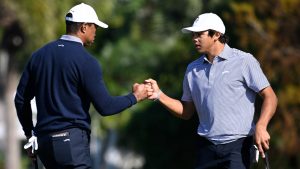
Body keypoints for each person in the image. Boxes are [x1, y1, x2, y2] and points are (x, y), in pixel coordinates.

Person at [14, 3, 148, 169]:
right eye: (94, 27)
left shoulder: (38, 55)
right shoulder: (86, 61)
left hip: (44, 144)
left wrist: (30, 134)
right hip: (71, 143)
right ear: (84, 27)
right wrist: (135, 97)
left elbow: (21, 99)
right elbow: (106, 107)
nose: (96, 31)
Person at [145, 13, 277, 169]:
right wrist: (159, 95)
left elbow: (270, 96)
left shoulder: (244, 61)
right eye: (193, 34)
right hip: (206, 148)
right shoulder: (192, 69)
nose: (194, 38)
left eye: (199, 34)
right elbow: (186, 111)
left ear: (217, 35)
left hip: (238, 147)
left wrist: (261, 126)